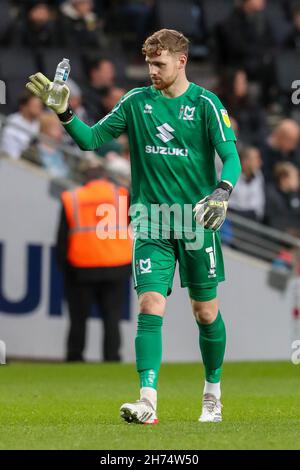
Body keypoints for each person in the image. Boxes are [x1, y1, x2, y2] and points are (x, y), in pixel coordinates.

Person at [26, 28, 241, 424]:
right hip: (151, 221)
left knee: (206, 313)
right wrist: (64, 112)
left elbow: (231, 156)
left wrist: (222, 191)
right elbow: (91, 140)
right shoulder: (135, 102)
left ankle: (212, 394)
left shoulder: (208, 105)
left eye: (159, 64)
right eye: (148, 64)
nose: (152, 71)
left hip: (195, 221)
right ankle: (147, 401)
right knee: (149, 304)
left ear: (182, 61)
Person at [56, 158, 132, 362]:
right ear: (105, 176)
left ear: (84, 177)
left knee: (78, 319)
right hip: (117, 265)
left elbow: (62, 237)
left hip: (81, 267)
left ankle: (74, 358)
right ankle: (112, 358)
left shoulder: (72, 197)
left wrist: (63, 267)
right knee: (112, 317)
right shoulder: (121, 195)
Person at [0, 90, 43, 160]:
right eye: (35, 106)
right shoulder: (13, 121)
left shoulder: (37, 124)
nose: (39, 108)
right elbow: (8, 146)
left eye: (40, 106)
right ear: (24, 106)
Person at [229, 146, 265, 221]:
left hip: (249, 222)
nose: (260, 162)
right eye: (256, 159)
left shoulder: (259, 177)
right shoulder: (229, 173)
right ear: (245, 161)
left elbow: (258, 210)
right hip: (228, 220)